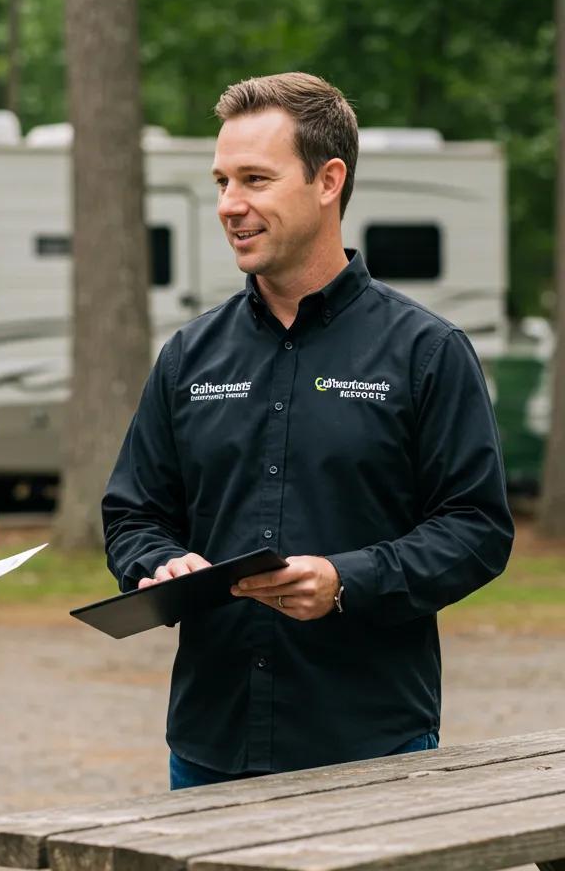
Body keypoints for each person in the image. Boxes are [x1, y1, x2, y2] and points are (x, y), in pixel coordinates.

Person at [102, 72, 514, 791]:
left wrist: (345, 580)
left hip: (372, 745)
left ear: (328, 181)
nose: (231, 205)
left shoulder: (424, 351)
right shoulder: (189, 357)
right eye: (222, 182)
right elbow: (134, 512)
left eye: (255, 179)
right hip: (211, 746)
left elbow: (476, 528)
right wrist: (162, 566)